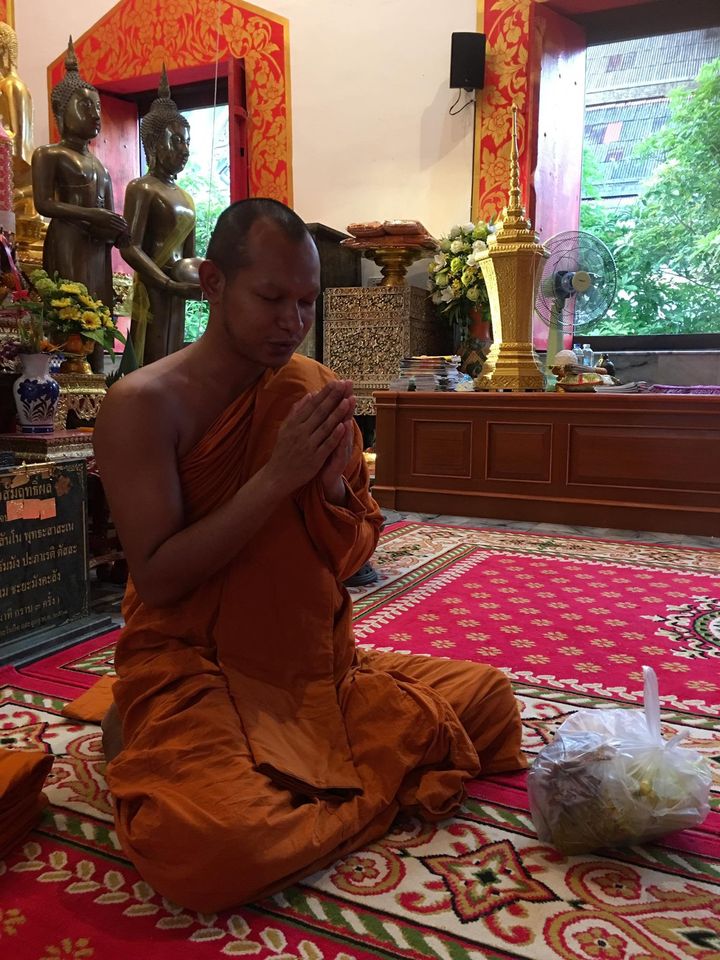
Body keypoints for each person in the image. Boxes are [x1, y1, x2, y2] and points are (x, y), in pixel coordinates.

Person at [94, 198, 526, 912]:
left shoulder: (312, 391)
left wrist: (325, 488)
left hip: (310, 665)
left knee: (491, 703)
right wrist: (276, 479)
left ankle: (305, 782)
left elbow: (352, 557)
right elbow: (161, 580)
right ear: (213, 284)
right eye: (272, 298)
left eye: (306, 301)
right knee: (211, 849)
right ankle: (152, 728)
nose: (292, 321)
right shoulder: (143, 405)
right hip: (198, 663)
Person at [31, 38, 127, 373]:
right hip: (68, 241)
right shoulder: (50, 154)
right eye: (85, 107)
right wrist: (91, 215)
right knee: (69, 310)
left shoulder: (100, 165)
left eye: (97, 107)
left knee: (99, 310)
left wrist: (119, 231)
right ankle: (67, 380)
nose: (95, 114)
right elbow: (44, 203)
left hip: (97, 248)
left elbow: (109, 214)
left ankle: (98, 381)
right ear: (60, 112)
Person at [119, 68, 203, 366]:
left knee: (175, 357)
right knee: (152, 359)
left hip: (178, 288)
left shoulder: (186, 198)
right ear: (154, 143)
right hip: (155, 286)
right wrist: (165, 283)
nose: (185, 150)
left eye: (187, 142)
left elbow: (190, 257)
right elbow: (129, 246)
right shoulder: (142, 188)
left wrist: (203, 280)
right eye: (176, 141)